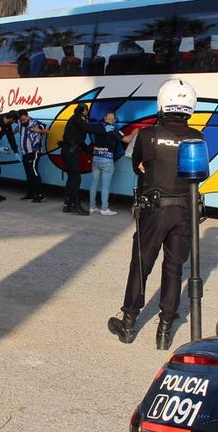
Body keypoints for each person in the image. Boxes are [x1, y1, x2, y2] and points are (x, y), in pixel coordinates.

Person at [107, 78, 202, 350]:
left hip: (154, 209)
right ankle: (165, 330)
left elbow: (138, 166)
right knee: (174, 269)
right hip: (184, 210)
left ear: (163, 102)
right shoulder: (197, 136)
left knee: (141, 264)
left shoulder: (148, 135)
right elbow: (199, 174)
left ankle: (128, 323)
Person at [88, 111, 121, 215]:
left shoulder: (99, 127)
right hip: (107, 160)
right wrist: (135, 132)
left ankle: (92, 207)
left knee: (94, 184)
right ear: (114, 120)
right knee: (105, 186)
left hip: (96, 158)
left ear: (104, 118)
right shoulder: (113, 129)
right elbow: (127, 140)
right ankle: (104, 209)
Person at [61, 103, 91, 215]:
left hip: (69, 151)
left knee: (72, 178)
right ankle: (76, 205)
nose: (87, 113)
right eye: (86, 110)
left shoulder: (75, 119)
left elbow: (80, 140)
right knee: (76, 178)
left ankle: (67, 204)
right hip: (70, 152)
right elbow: (87, 128)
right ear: (83, 110)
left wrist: (91, 152)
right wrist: (103, 128)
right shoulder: (78, 118)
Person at [17, 109, 48, 202]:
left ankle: (41, 194)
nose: (23, 122)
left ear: (27, 116)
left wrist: (38, 130)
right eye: (21, 120)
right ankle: (30, 193)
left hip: (34, 152)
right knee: (28, 173)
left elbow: (47, 131)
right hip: (25, 152)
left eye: (24, 120)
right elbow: (18, 128)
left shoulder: (35, 123)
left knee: (34, 172)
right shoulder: (20, 123)